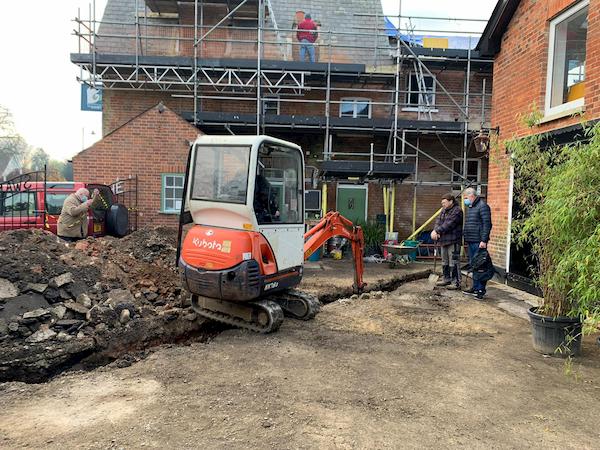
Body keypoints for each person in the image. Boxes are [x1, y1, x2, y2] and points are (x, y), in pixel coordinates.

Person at [462, 187, 492, 299]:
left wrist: (484, 240)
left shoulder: (483, 206)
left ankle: (480, 290)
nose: (465, 200)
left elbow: (487, 224)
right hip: (471, 240)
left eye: (465, 198)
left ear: (471, 196)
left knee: (480, 266)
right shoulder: (472, 207)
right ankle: (475, 287)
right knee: (474, 265)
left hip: (479, 242)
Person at [431, 193, 463, 290]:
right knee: (445, 261)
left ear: (451, 201)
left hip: (453, 240)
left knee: (454, 261)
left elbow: (449, 224)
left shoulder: (457, 211)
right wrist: (435, 230)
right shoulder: (444, 210)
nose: (443, 204)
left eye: (444, 202)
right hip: (443, 240)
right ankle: (446, 279)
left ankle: (456, 282)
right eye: (442, 203)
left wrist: (437, 231)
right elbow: (438, 221)